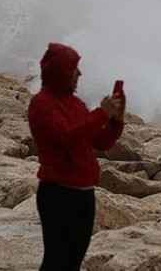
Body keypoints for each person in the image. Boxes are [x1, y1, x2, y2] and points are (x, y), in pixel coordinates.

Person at [28, 42, 125, 271]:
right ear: (61, 71)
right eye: (74, 68)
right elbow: (66, 137)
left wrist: (115, 120)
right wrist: (102, 113)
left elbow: (100, 142)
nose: (79, 74)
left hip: (84, 192)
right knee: (56, 260)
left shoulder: (76, 103)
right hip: (57, 192)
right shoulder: (41, 103)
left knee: (73, 262)